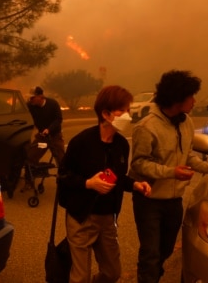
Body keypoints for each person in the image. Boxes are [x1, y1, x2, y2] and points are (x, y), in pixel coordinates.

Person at [128, 70, 208, 283]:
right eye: (191, 96)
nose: (195, 101)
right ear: (177, 98)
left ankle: (152, 275)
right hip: (149, 201)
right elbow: (139, 164)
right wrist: (171, 172)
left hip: (174, 201)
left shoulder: (185, 122)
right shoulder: (147, 127)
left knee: (166, 249)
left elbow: (187, 156)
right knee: (150, 254)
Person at [58, 85, 152, 283]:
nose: (128, 115)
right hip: (81, 217)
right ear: (106, 114)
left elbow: (118, 177)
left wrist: (135, 185)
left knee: (112, 273)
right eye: (123, 111)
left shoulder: (122, 145)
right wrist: (88, 183)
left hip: (108, 218)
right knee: (80, 277)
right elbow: (63, 176)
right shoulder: (81, 142)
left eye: (128, 110)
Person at [22, 86, 66, 191]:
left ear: (40, 96)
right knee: (31, 156)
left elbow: (58, 119)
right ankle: (29, 181)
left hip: (54, 136)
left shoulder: (53, 104)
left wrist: (49, 129)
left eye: (33, 97)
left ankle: (64, 182)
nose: (31, 100)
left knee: (61, 158)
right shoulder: (30, 106)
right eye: (30, 98)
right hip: (42, 137)